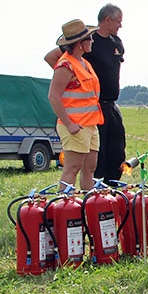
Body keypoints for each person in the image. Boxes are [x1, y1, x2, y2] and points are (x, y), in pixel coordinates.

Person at [46, 4, 126, 182]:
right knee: (75, 166)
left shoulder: (90, 59)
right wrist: (70, 80)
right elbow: (54, 93)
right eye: (118, 21)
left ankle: (102, 195)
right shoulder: (68, 62)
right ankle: (68, 205)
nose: (92, 41)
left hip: (98, 112)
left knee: (110, 154)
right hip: (79, 119)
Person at [47, 19, 103, 191]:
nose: (92, 41)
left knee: (89, 168)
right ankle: (64, 210)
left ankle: (88, 207)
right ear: (80, 43)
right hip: (75, 125)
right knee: (72, 168)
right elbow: (53, 96)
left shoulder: (85, 63)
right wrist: (69, 123)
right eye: (89, 38)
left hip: (90, 124)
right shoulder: (65, 65)